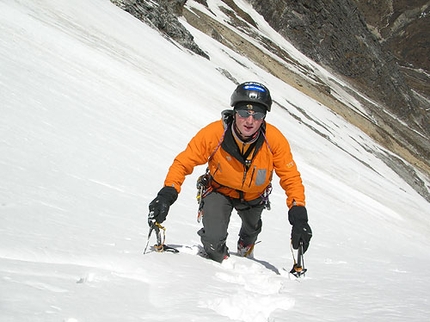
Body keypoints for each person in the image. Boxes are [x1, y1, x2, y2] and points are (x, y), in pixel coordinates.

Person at [148, 81, 312, 263]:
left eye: (257, 115)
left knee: (251, 230)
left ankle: (246, 245)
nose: (250, 121)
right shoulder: (215, 133)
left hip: (254, 196)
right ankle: (221, 259)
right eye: (244, 113)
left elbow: (291, 178)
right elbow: (184, 161)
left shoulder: (274, 140)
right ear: (234, 113)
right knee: (213, 243)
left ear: (264, 117)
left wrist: (299, 214)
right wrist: (167, 193)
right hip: (219, 191)